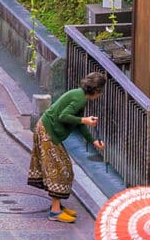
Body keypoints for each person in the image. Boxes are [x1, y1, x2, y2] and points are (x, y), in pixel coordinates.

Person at [28, 70, 104, 223]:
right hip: (48, 132)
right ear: (97, 90)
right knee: (62, 169)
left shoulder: (79, 95)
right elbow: (65, 116)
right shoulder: (80, 99)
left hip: (48, 130)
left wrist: (93, 140)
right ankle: (55, 212)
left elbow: (77, 121)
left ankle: (57, 207)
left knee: (63, 167)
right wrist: (85, 120)